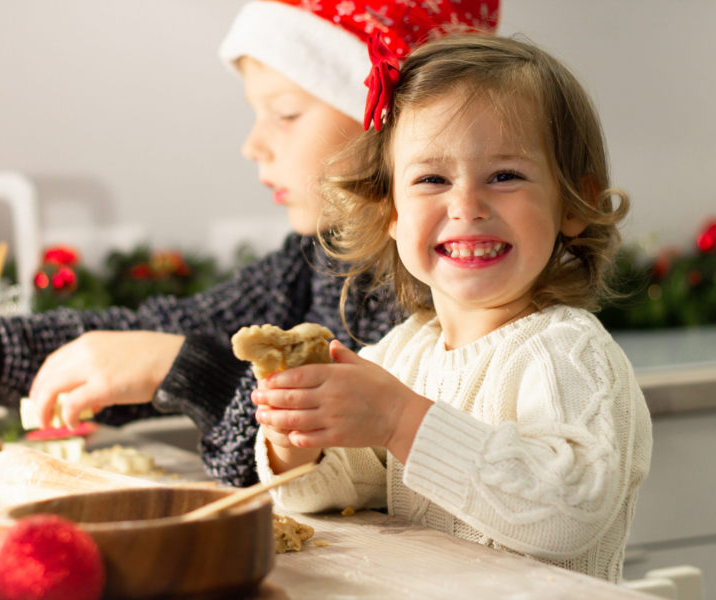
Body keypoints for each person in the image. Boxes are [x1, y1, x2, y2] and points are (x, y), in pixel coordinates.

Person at [0, 1, 499, 487]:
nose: (253, 145)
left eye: (286, 113)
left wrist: (178, 366)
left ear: (390, 124)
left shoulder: (444, 283)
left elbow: (328, 447)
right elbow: (173, 324)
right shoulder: (318, 261)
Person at [251, 33, 652, 581]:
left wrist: (399, 419)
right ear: (389, 210)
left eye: (505, 176)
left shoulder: (569, 351)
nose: (466, 206)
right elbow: (342, 489)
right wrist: (296, 441)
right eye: (431, 179)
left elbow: (567, 512)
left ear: (573, 203)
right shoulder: (403, 353)